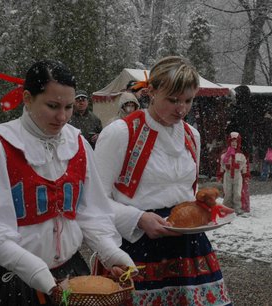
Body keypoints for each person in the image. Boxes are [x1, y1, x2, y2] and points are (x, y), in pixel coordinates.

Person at [0, 60, 135, 305]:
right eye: (52, 106)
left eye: (69, 107)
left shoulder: (78, 144)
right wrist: (30, 266)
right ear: (27, 98)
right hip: (16, 280)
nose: (62, 117)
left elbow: (91, 211)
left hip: (72, 273)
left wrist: (109, 251)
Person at [94, 56, 233, 305]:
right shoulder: (120, 133)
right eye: (172, 100)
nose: (181, 109)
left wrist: (205, 207)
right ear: (151, 92)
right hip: (136, 247)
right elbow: (93, 202)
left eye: (188, 100)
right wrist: (138, 218)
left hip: (190, 249)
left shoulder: (193, 136)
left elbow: (187, 192)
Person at [219, 132, 248, 215]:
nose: (234, 143)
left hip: (237, 175)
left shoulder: (241, 155)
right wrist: (220, 174)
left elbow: (245, 166)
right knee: (227, 192)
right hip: (227, 175)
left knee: (237, 193)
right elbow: (221, 165)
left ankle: (237, 208)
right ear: (229, 142)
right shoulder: (225, 154)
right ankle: (226, 207)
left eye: (235, 141)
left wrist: (245, 175)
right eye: (232, 141)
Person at [255, 109, 272, 181]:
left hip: (265, 143)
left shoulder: (265, 122)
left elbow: (263, 133)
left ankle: (264, 176)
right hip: (270, 143)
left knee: (265, 160)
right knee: (270, 159)